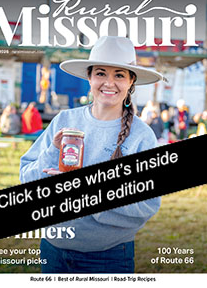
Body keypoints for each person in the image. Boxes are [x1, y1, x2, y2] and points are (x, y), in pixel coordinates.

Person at [19, 36, 165, 273]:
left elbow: (146, 205)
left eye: (119, 74)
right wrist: (52, 151)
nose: (109, 82)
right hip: (53, 251)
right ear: (89, 77)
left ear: (131, 81)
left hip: (107, 257)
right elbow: (26, 179)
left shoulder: (141, 136)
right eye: (100, 73)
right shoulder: (65, 120)